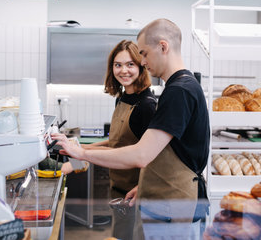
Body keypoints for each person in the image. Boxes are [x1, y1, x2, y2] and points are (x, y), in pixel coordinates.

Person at [52, 18, 210, 239]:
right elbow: (163, 151)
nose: (143, 61)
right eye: (119, 64)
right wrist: (144, 186)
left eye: (143, 54)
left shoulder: (178, 91)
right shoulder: (179, 87)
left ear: (163, 47)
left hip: (174, 205)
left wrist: (82, 154)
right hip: (162, 202)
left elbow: (142, 155)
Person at [83, 39, 157, 240]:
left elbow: (154, 155)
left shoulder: (147, 106)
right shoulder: (122, 98)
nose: (123, 70)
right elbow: (117, 143)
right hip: (117, 188)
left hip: (136, 193)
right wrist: (80, 147)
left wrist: (142, 187)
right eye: (118, 65)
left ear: (141, 66)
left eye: (130, 64)